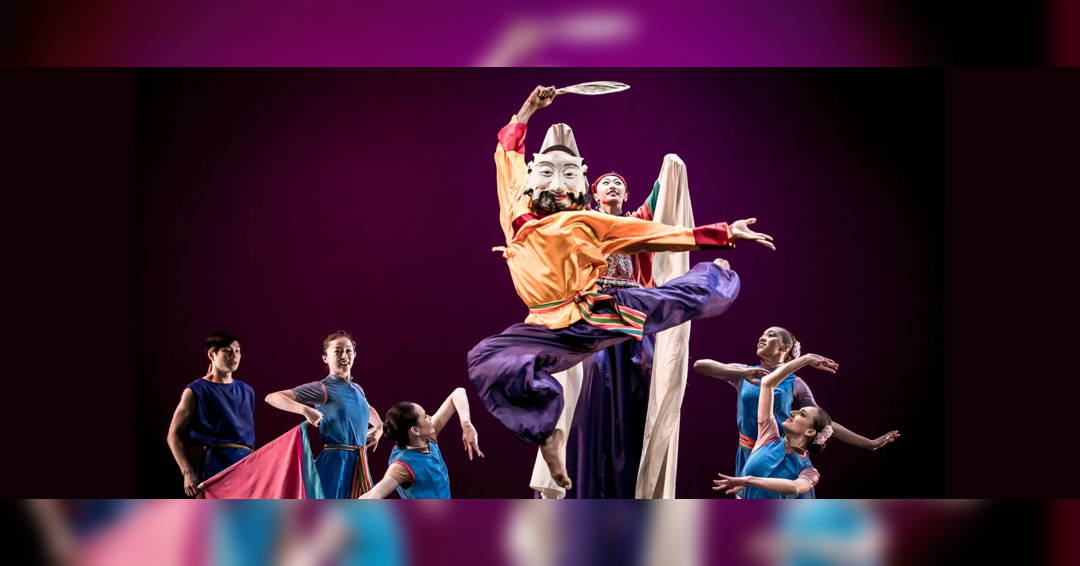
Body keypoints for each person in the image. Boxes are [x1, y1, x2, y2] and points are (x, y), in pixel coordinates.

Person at [469, 85, 776, 489]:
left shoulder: (588, 222)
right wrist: (528, 108)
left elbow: (656, 234)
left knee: (670, 300)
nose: (558, 184)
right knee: (487, 359)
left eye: (569, 175)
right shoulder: (516, 207)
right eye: (547, 173)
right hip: (544, 325)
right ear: (531, 180)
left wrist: (725, 233)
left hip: (593, 312)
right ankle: (547, 431)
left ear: (581, 184)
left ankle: (716, 277)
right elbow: (508, 152)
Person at [694, 327, 900, 481]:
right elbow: (700, 365)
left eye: (770, 335)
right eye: (762, 334)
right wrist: (740, 371)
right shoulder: (746, 373)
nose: (761, 337)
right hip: (748, 451)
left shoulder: (795, 383)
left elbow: (824, 424)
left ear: (785, 347)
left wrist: (868, 443)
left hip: (780, 453)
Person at [265, 331, 383, 498]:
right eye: (337, 351)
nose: (344, 355)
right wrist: (305, 410)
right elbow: (273, 397)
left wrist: (379, 429)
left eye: (348, 350)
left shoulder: (357, 389)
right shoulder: (323, 388)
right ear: (325, 358)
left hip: (358, 463)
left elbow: (367, 408)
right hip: (335, 464)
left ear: (355, 354)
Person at [712, 352, 837, 498]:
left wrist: (749, 480)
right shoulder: (768, 436)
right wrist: (805, 359)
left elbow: (795, 487)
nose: (792, 412)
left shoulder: (809, 470)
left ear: (810, 431)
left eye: (801, 414)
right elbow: (767, 383)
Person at [167, 330, 255, 497]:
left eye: (237, 351)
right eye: (227, 351)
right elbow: (173, 434)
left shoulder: (247, 391)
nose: (234, 355)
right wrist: (187, 472)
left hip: (245, 467)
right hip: (213, 466)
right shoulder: (196, 390)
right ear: (212, 354)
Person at [360, 387, 483, 499]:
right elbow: (373, 495)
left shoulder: (428, 438)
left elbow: (458, 393)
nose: (429, 417)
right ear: (415, 430)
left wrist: (466, 423)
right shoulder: (402, 466)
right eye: (424, 417)